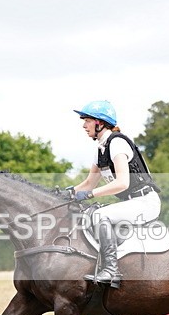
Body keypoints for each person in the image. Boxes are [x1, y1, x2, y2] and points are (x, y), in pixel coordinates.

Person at [69, 100, 161, 288]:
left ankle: (111, 270)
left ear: (99, 123)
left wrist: (89, 194)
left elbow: (122, 183)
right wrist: (68, 192)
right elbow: (88, 183)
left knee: (100, 215)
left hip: (145, 201)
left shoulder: (117, 143)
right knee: (90, 215)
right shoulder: (100, 149)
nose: (83, 125)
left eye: (87, 120)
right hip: (130, 203)